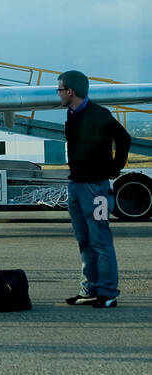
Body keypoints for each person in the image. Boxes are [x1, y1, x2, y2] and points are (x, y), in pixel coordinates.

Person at [58, 69, 129, 308]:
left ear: (70, 91)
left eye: (60, 89)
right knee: (84, 241)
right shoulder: (71, 114)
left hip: (95, 189)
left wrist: (114, 168)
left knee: (100, 240)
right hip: (76, 187)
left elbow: (124, 139)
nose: (58, 94)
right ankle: (89, 290)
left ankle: (108, 293)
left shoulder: (99, 114)